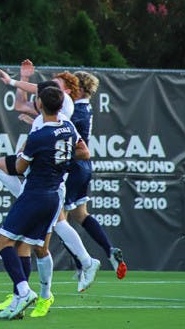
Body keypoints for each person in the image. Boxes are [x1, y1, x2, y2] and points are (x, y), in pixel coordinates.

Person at [0, 86, 90, 320]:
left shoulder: (38, 136)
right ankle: (21, 299)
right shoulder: (68, 126)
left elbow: (18, 168)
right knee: (30, 245)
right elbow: (82, 151)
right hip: (54, 195)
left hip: (35, 193)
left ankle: (25, 291)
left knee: (4, 242)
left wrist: (30, 153)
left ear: (39, 104)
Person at [64, 71, 127, 279]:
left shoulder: (77, 110)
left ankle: (83, 264)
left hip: (73, 166)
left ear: (80, 89)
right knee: (81, 214)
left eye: (73, 86)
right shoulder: (85, 108)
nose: (69, 90)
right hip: (84, 167)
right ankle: (109, 250)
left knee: (58, 219)